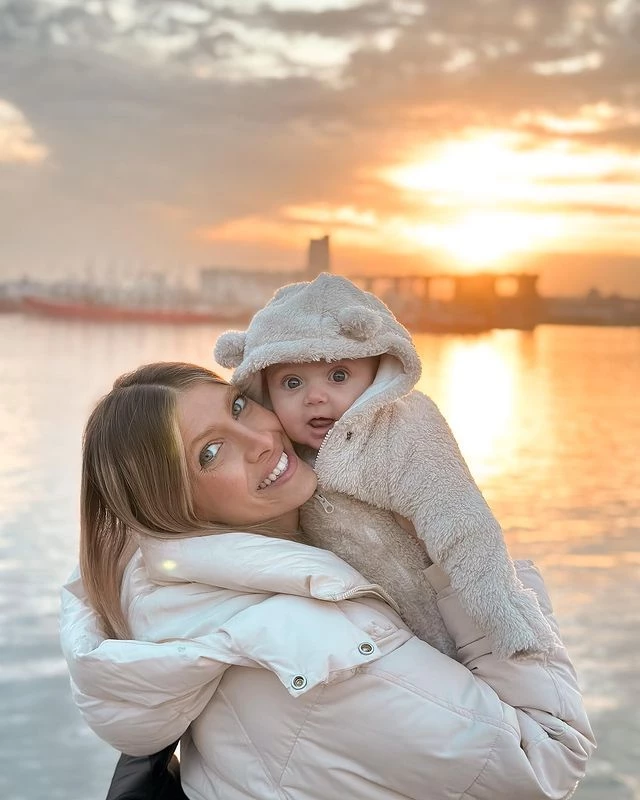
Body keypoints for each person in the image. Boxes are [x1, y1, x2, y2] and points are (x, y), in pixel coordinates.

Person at [60, 361, 595, 800]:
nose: (262, 439)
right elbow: (548, 758)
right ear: (170, 504)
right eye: (210, 451)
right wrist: (462, 567)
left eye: (239, 406)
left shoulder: (170, 591)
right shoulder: (321, 647)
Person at [214, 272, 556, 660]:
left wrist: (502, 611)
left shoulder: (403, 430)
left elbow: (460, 516)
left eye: (339, 375)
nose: (315, 397)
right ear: (263, 389)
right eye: (292, 383)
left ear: (377, 376)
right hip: (378, 640)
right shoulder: (282, 459)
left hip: (462, 629)